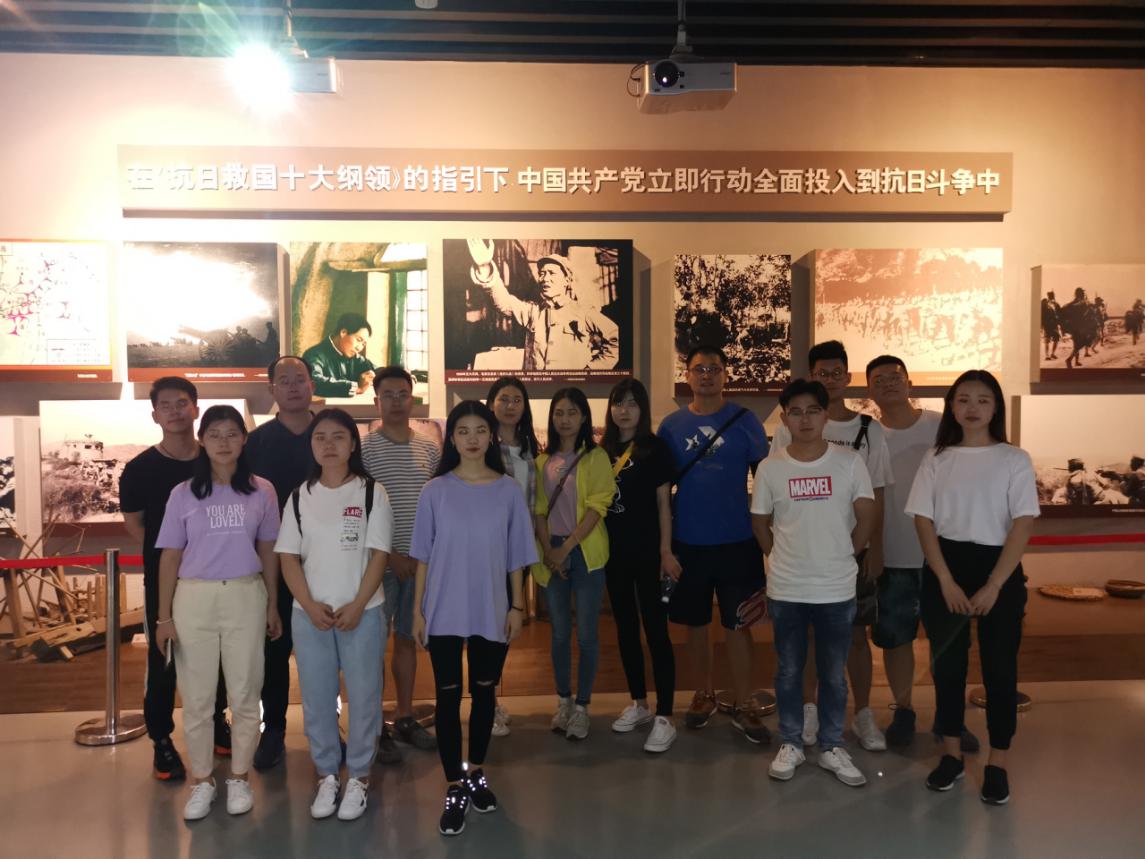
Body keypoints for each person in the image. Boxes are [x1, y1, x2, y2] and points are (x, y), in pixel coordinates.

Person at [905, 370, 1039, 805]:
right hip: (946, 565)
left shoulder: (1014, 459)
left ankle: (998, 762)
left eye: (983, 399)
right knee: (947, 668)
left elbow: (1022, 524)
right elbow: (922, 519)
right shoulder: (937, 457)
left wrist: (995, 584)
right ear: (952, 406)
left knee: (1000, 669)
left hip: (999, 568)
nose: (973, 407)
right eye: (963, 399)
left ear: (995, 407)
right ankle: (951, 755)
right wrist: (944, 579)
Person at [410, 401, 536, 836]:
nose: (472, 438)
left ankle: (476, 770)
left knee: (484, 694)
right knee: (447, 697)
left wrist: (517, 607)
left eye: (480, 429)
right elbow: (423, 557)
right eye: (462, 430)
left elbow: (517, 557)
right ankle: (454, 784)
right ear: (452, 438)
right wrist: (418, 611)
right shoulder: (435, 491)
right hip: (443, 609)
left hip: (491, 607)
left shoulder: (508, 491)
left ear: (491, 436)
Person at [152, 405, 283, 821]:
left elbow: (268, 550)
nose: (224, 442)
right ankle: (202, 780)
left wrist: (273, 603)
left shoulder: (262, 490)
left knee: (245, 692)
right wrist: (163, 617)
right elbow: (170, 556)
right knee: (197, 697)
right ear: (202, 441)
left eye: (232, 433)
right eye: (215, 434)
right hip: (194, 598)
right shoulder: (183, 493)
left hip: (246, 594)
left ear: (244, 439)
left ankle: (239, 777)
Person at [770, 340, 892, 751]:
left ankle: (863, 711)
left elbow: (876, 495)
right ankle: (808, 708)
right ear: (811, 376)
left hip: (851, 553)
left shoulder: (869, 429)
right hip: (802, 556)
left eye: (837, 372)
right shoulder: (788, 428)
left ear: (848, 376)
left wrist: (873, 548)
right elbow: (775, 491)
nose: (831, 380)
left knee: (856, 635)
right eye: (823, 373)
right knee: (804, 638)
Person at [753, 379, 876, 787]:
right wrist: (778, 555)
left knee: (833, 673)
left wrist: (847, 554)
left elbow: (866, 514)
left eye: (812, 410)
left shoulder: (849, 462)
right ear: (784, 418)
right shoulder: (771, 467)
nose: (804, 419)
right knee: (788, 670)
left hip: (835, 587)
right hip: (787, 586)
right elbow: (760, 521)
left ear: (825, 416)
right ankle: (790, 741)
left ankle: (830, 745)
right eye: (795, 412)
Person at [275, 408, 393, 821]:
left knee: (364, 699)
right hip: (311, 617)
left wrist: (358, 604)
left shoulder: (371, 492)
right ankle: (327, 774)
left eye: (338, 436)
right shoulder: (298, 496)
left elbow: (379, 555)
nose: (329, 445)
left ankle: (359, 776)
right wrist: (309, 605)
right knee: (317, 699)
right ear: (311, 445)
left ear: (353, 444)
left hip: (364, 613)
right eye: (320, 437)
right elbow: (288, 558)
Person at [657, 345, 771, 745]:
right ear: (687, 375)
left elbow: (767, 482)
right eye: (699, 368)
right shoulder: (671, 426)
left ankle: (744, 701)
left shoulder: (745, 420)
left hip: (738, 540)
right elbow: (661, 492)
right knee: (696, 625)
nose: (706, 375)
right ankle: (703, 693)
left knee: (739, 625)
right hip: (689, 542)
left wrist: (771, 536)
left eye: (714, 368)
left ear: (726, 374)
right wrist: (664, 547)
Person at [866, 356, 980, 751]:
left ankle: (950, 718)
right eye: (879, 379)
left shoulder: (940, 425)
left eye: (895, 376)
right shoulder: (870, 434)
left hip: (944, 556)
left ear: (909, 382)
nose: (888, 383)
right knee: (895, 640)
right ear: (869, 390)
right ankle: (904, 710)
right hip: (893, 554)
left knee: (949, 641)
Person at [120, 376, 229, 782]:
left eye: (182, 403)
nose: (175, 411)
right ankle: (161, 739)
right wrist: (172, 556)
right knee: (163, 657)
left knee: (218, 653)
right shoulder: (139, 469)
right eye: (165, 405)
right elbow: (136, 525)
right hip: (165, 580)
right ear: (155, 415)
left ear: (196, 408)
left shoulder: (216, 460)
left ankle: (217, 721)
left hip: (214, 577)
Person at [361, 366, 440, 758]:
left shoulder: (430, 449)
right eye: (388, 395)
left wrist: (419, 557)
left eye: (402, 394)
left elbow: (438, 507)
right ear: (377, 401)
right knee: (373, 645)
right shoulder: (363, 450)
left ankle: (405, 716)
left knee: (408, 640)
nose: (396, 401)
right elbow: (358, 508)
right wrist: (389, 555)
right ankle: (374, 726)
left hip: (420, 564)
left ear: (413, 399)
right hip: (378, 564)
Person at [243, 355, 316, 770]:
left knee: (325, 649)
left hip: (327, 561)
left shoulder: (330, 433)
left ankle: (326, 728)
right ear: (271, 389)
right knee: (274, 649)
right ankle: (273, 729)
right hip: (272, 562)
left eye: (299, 379)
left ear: (311, 385)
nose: (292, 387)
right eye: (283, 380)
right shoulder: (256, 443)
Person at [600, 378, 679, 753]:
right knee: (626, 630)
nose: (624, 410)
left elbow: (664, 505)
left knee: (657, 632)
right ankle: (639, 703)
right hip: (613, 555)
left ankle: (665, 715)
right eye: (618, 403)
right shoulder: (602, 449)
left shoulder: (655, 449)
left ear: (642, 409)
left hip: (649, 553)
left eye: (632, 403)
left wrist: (666, 551)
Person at [534, 387, 616, 741]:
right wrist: (549, 549)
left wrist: (566, 548)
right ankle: (564, 701)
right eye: (559, 413)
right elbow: (538, 510)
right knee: (559, 633)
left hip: (584, 552)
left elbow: (599, 507)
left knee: (587, 634)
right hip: (551, 551)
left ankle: (583, 706)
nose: (564, 419)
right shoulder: (542, 462)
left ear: (584, 417)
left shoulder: (596, 457)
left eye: (571, 412)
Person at [485, 376, 542, 737]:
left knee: (506, 624)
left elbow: (533, 502)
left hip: (519, 550)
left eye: (516, 400)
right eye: (503, 399)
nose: (510, 406)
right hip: (489, 549)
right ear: (491, 403)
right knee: (489, 626)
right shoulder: (484, 445)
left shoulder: (529, 447)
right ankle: (486, 701)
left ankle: (489, 696)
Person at [466, 239, 619, 370]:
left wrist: (590, 371)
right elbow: (504, 302)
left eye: (552, 273)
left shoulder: (583, 311)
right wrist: (485, 267)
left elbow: (615, 338)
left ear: (567, 280)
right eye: (542, 273)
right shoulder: (533, 311)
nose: (545, 278)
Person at [302, 312, 376, 398]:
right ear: (343, 332)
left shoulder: (355, 357)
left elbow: (376, 369)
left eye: (363, 344)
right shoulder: (314, 354)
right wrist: (356, 388)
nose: (359, 348)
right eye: (359, 340)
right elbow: (315, 382)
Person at [1039, 292, 1061, 360]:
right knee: (1047, 340)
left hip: (1054, 325)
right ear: (1048, 296)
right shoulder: (1044, 303)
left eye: (1052, 296)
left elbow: (1059, 313)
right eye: (1050, 296)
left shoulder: (1056, 304)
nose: (1051, 297)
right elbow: (1041, 314)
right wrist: (1041, 325)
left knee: (1056, 339)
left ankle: (1052, 354)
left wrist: (1058, 321)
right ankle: (1047, 355)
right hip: (1047, 325)